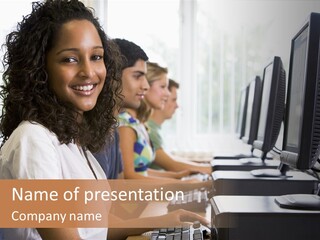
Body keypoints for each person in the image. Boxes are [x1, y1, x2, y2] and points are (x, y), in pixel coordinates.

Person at [0, 1, 208, 240]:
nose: (89, 71)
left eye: (96, 57)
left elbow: (96, 225)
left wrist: (162, 222)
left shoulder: (72, 140)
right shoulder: (32, 139)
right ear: (39, 69)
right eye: (69, 59)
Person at [115, 40, 193, 181]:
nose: (144, 86)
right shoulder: (124, 124)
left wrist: (177, 177)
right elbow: (129, 176)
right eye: (137, 76)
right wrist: (180, 185)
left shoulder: (136, 124)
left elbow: (142, 171)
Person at [146, 79, 213, 174]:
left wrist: (205, 165)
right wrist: (214, 170)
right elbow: (173, 165)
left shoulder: (156, 129)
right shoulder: (150, 130)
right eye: (173, 100)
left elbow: (171, 159)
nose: (177, 106)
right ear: (163, 99)